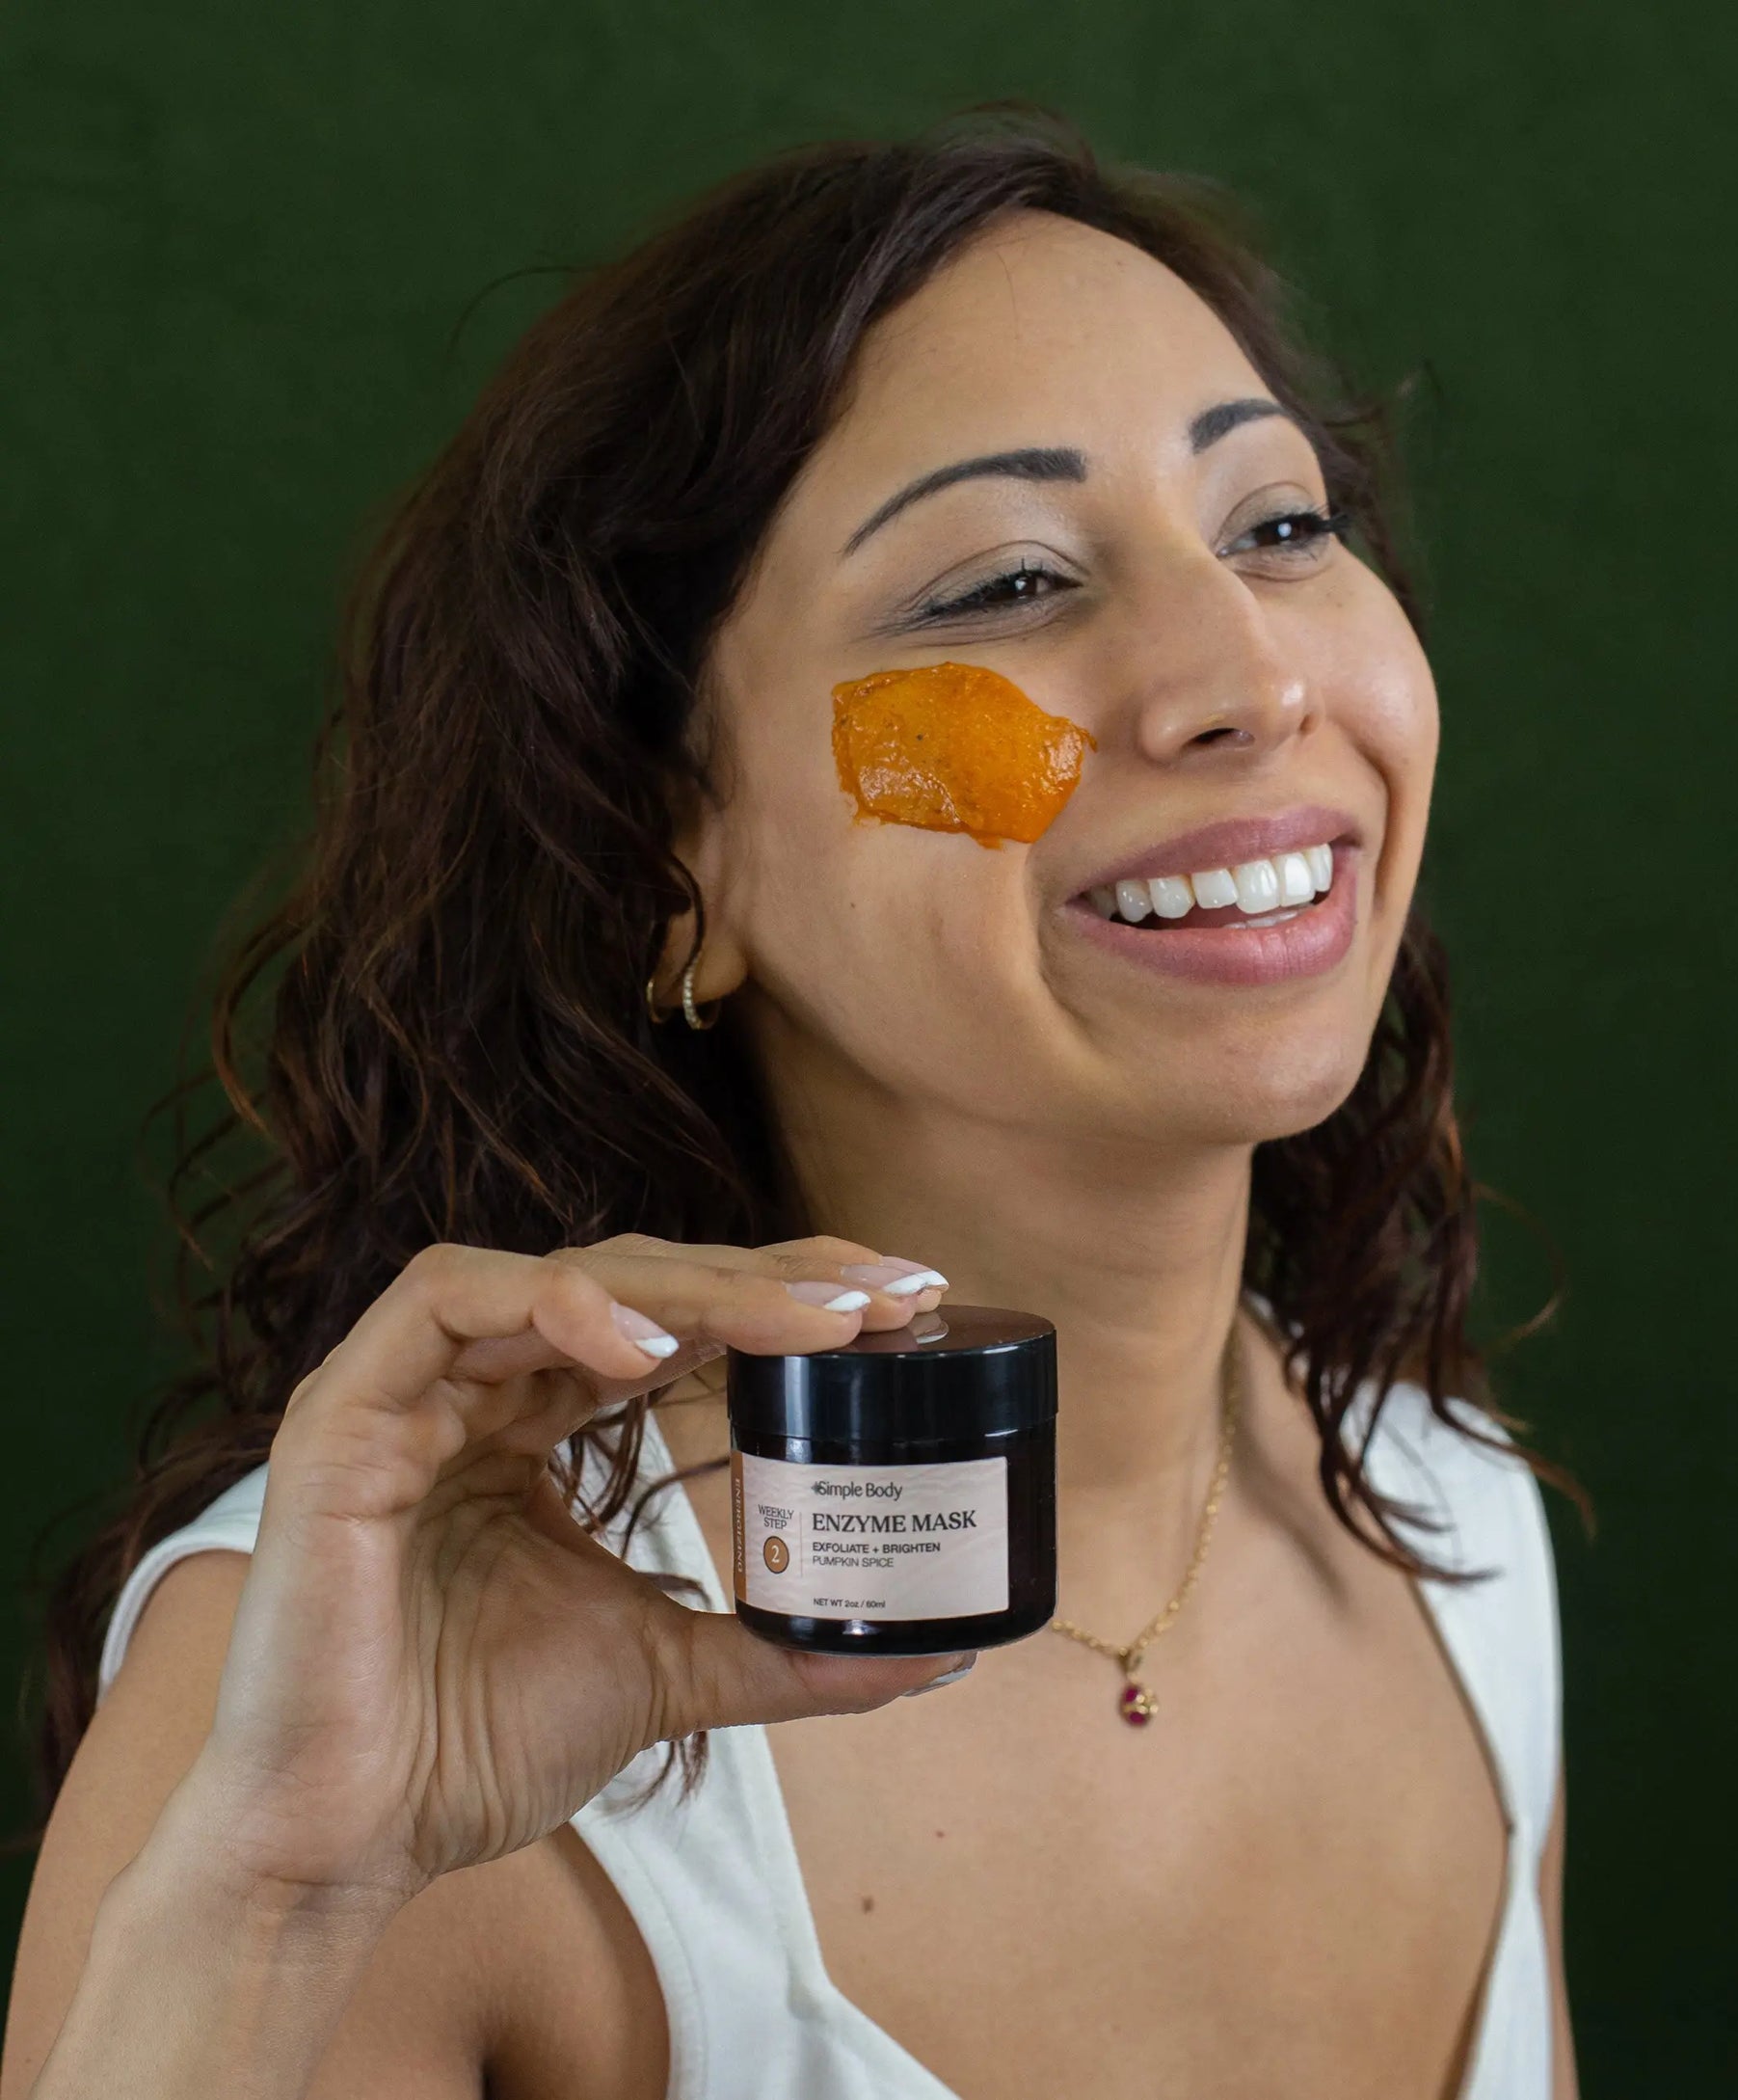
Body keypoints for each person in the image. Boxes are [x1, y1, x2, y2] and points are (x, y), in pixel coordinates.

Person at [1, 112, 1580, 2100]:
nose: (1243, 674)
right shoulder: (354, 1695)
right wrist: (273, 1902)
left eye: (1275, 523)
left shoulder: (1443, 1508)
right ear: (676, 860)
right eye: (1003, 580)